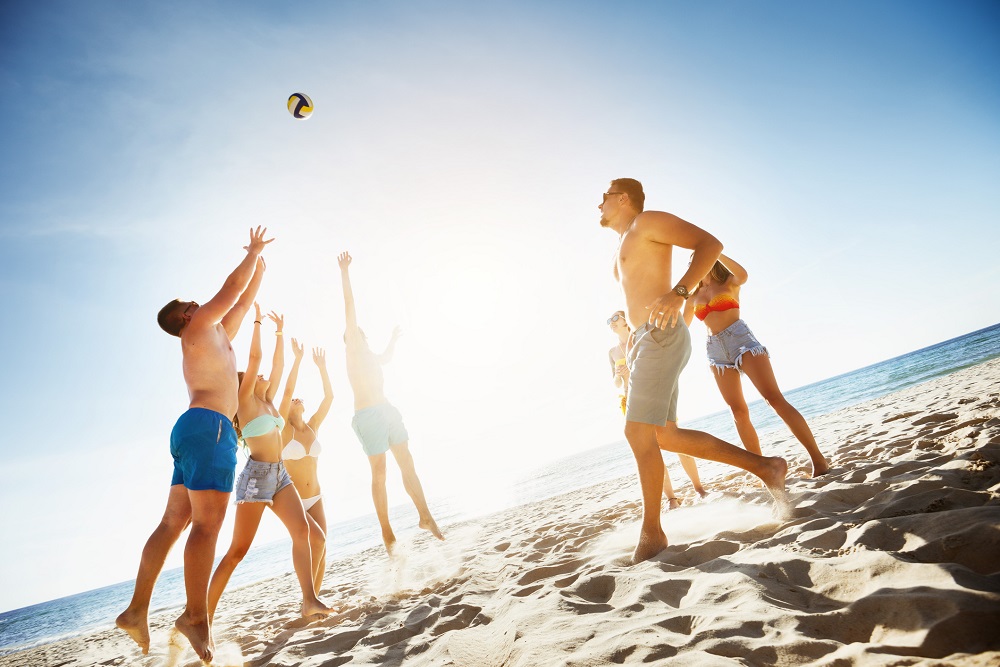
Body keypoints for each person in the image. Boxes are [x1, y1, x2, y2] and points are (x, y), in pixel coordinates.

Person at [599, 178, 789, 564]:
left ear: (621, 198)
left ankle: (652, 533)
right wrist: (634, 336)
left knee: (636, 431)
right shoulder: (623, 244)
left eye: (603, 197)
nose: (597, 205)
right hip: (646, 339)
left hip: (663, 335)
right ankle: (766, 467)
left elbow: (711, 245)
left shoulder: (646, 222)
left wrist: (680, 292)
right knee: (663, 435)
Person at [116, 227, 271, 662]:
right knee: (206, 527)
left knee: (174, 522)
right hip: (210, 430)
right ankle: (195, 618)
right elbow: (231, 287)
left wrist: (260, 268)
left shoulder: (215, 335)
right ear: (185, 317)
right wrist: (252, 252)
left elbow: (241, 300)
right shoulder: (199, 327)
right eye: (190, 305)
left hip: (192, 429)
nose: (198, 305)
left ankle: (135, 610)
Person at [207, 305, 334, 620]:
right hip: (256, 477)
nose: (263, 377)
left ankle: (309, 600)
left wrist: (280, 332)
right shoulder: (247, 401)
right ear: (243, 385)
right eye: (254, 378)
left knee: (310, 533)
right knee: (238, 551)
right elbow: (255, 361)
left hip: (279, 475)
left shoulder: (267, 402)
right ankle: (201, 613)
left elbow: (277, 367)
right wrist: (257, 322)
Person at [683, 254, 830, 477]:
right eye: (693, 262)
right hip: (715, 350)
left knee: (774, 399)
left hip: (741, 341)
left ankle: (818, 460)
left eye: (701, 259)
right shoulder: (693, 296)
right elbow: (683, 325)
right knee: (738, 412)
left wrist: (714, 251)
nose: (697, 265)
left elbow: (743, 274)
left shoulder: (729, 282)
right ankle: (763, 470)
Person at [337, 251, 444, 554]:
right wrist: (345, 272)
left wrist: (393, 341)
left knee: (407, 462)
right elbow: (349, 307)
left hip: (387, 410)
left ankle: (425, 515)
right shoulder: (353, 352)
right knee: (380, 472)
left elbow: (385, 357)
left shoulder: (370, 355)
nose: (353, 333)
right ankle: (387, 532)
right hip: (368, 416)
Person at [608, 310, 707, 508]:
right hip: (629, 400)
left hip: (653, 393)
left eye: (615, 318)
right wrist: (620, 375)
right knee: (650, 449)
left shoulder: (640, 337)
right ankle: (671, 498)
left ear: (626, 319)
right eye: (608, 320)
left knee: (676, 439)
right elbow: (616, 383)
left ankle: (699, 489)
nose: (611, 322)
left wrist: (632, 368)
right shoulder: (612, 352)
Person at [278, 340, 334, 595]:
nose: (296, 398)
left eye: (299, 398)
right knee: (316, 541)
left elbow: (330, 397)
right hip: (297, 500)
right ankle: (307, 600)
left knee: (322, 547)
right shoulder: (284, 430)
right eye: (292, 400)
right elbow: (287, 390)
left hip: (317, 497)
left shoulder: (312, 425)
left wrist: (322, 367)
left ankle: (315, 602)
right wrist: (298, 360)